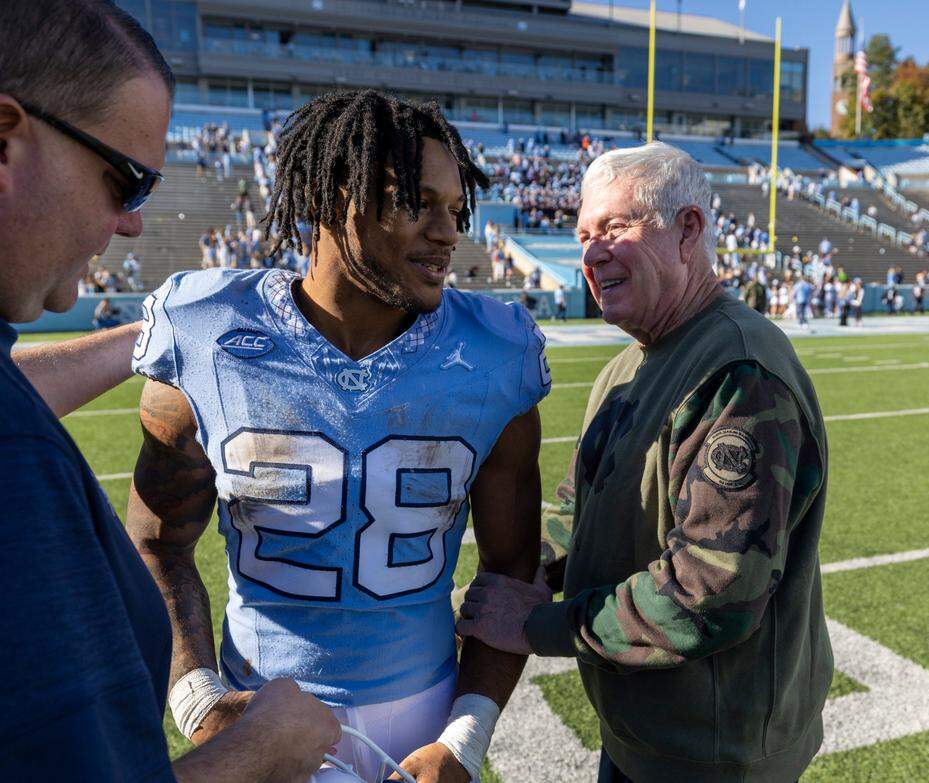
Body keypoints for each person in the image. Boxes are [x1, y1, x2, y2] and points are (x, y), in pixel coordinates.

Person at [127, 90, 550, 783]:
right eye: (418, 201)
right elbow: (156, 540)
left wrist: (466, 737)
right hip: (256, 707)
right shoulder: (206, 333)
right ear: (334, 195)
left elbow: (508, 575)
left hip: (423, 720)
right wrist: (200, 699)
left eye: (455, 208)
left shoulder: (496, 354)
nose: (449, 232)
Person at [0, 1, 340, 780]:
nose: (132, 223)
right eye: (126, 180)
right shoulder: (13, 458)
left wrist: (147, 334)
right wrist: (264, 744)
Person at [456, 142, 832, 783]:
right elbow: (576, 515)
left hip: (712, 754)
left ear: (689, 232)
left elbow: (711, 592)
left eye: (617, 227)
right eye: (583, 234)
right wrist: (520, 578)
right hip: (646, 734)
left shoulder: (737, 370)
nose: (592, 252)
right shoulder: (625, 368)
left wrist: (536, 624)